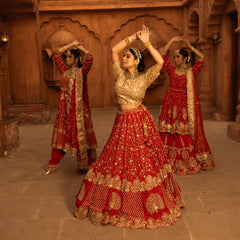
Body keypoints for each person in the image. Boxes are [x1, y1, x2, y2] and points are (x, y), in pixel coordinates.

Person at [75, 25, 184, 229]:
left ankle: (138, 203)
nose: (124, 57)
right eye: (124, 56)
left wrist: (146, 43)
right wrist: (134, 37)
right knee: (115, 160)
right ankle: (115, 201)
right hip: (121, 121)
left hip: (138, 121)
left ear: (137, 61)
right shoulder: (119, 74)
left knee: (139, 162)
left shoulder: (145, 78)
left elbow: (160, 61)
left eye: (129, 56)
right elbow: (113, 50)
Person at [158, 36, 215, 176]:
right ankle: (167, 158)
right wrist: (171, 41)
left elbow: (202, 59)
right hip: (170, 105)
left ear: (184, 59)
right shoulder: (171, 70)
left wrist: (191, 47)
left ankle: (184, 159)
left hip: (184, 105)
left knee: (182, 131)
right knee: (168, 131)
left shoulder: (191, 72)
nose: (175, 59)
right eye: (175, 57)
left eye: (178, 57)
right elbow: (162, 55)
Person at [44, 40, 97, 175]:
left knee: (82, 137)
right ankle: (53, 164)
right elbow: (56, 54)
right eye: (66, 57)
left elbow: (90, 58)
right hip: (64, 110)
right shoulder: (64, 71)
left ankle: (85, 163)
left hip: (78, 111)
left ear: (76, 58)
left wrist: (81, 49)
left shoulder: (81, 72)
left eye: (70, 56)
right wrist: (70, 45)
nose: (67, 59)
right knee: (60, 137)